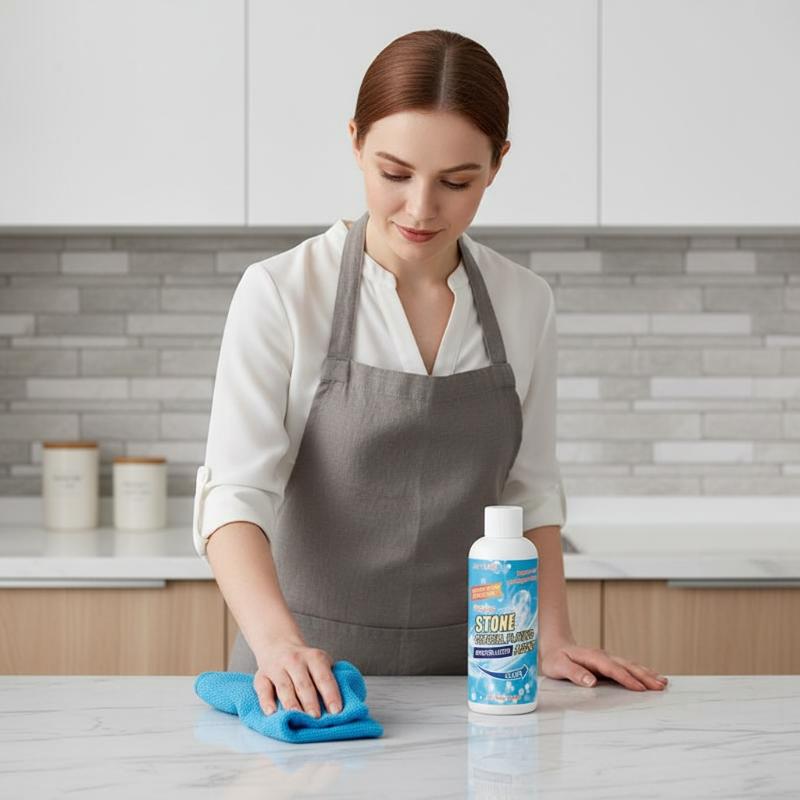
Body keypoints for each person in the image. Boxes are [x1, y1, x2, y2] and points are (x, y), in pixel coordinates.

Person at [192, 29, 668, 719]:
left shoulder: (524, 302)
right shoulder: (282, 292)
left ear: (497, 164)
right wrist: (278, 646)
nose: (420, 208)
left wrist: (552, 637)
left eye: (456, 182)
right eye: (394, 173)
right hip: (306, 683)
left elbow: (530, 491)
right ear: (355, 142)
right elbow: (235, 496)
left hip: (482, 684)